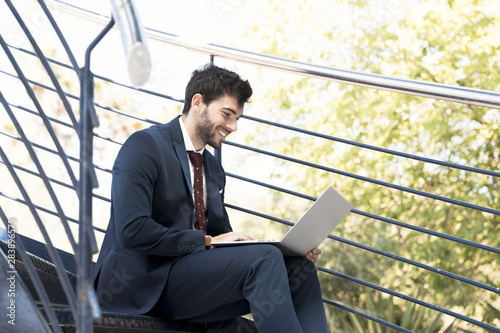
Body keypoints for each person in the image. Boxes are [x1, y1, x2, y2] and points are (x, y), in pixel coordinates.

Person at [92, 64, 329, 332]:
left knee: (298, 268)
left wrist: (288, 251)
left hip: (191, 282)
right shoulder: (144, 146)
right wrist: (206, 242)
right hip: (143, 284)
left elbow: (223, 240)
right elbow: (132, 230)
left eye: (238, 118)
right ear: (198, 103)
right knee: (263, 260)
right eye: (227, 114)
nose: (234, 126)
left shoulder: (213, 170)